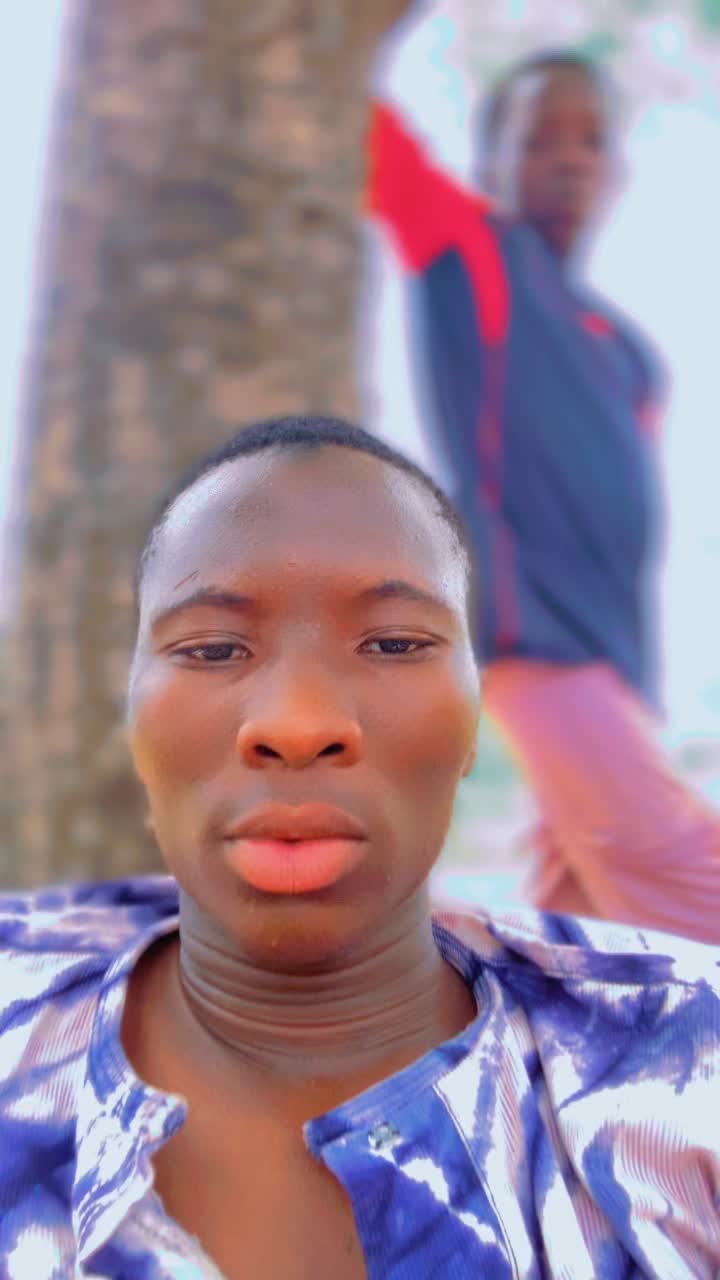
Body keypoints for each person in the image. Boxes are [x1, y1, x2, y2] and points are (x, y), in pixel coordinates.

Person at [1, 414, 719, 1279]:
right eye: (214, 649)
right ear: (135, 716)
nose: (298, 725)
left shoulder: (691, 1060)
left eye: (394, 643)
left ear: (472, 715)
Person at [366, 47, 720, 941]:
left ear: (613, 170)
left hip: (614, 662)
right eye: (537, 138)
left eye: (590, 140)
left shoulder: (623, 349)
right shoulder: (473, 250)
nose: (568, 158)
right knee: (687, 876)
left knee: (581, 932)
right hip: (537, 636)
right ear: (489, 163)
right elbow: (366, 133)